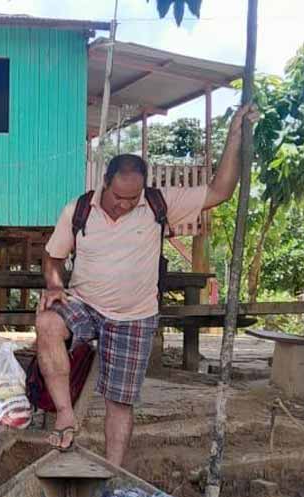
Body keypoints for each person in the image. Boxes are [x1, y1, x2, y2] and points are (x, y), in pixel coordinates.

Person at [35, 103, 260, 466]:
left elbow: (220, 191)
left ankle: (112, 470)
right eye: (118, 197)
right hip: (84, 302)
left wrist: (234, 134)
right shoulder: (78, 209)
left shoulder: (158, 204)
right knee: (47, 321)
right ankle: (65, 413)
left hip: (134, 317)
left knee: (119, 403)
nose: (124, 205)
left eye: (132, 199)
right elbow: (53, 255)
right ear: (103, 183)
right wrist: (53, 284)